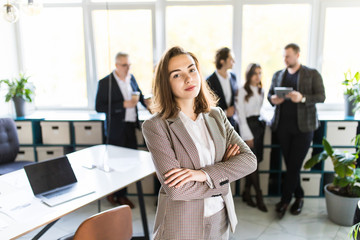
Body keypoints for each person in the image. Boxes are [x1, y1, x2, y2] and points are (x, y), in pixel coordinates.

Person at [142, 46, 257, 240]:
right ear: (165, 83)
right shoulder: (156, 126)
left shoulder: (216, 115)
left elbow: (249, 161)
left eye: (191, 69)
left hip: (220, 217)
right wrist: (224, 173)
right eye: (177, 75)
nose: (188, 79)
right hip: (182, 223)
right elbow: (176, 190)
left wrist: (202, 175)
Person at [268, 43, 325, 219]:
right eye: (284, 56)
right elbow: (269, 95)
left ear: (298, 55)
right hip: (283, 127)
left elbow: (321, 97)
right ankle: (299, 197)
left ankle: (285, 201)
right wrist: (273, 99)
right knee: (292, 166)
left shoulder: (311, 74)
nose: (285, 59)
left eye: (288, 56)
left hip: (304, 128)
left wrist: (303, 98)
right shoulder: (278, 75)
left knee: (294, 165)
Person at [95, 52, 149, 208]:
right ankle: (116, 195)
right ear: (117, 65)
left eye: (129, 64)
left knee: (130, 162)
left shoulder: (131, 78)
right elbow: (99, 107)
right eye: (124, 65)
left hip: (130, 127)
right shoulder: (105, 83)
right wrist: (122, 105)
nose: (128, 68)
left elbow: (139, 96)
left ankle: (121, 195)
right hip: (115, 129)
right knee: (116, 163)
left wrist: (151, 107)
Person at [236, 63, 267, 212]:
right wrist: (247, 135)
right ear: (249, 75)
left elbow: (260, 110)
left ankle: (246, 193)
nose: (258, 76)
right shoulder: (242, 91)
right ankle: (259, 196)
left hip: (258, 127)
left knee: (256, 162)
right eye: (255, 73)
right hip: (247, 127)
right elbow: (240, 115)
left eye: (260, 73)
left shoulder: (261, 90)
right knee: (251, 162)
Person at [207, 47, 239, 129]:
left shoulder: (233, 77)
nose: (234, 62)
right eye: (231, 59)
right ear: (222, 61)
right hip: (216, 124)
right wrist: (225, 112)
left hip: (231, 123)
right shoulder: (209, 81)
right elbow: (208, 106)